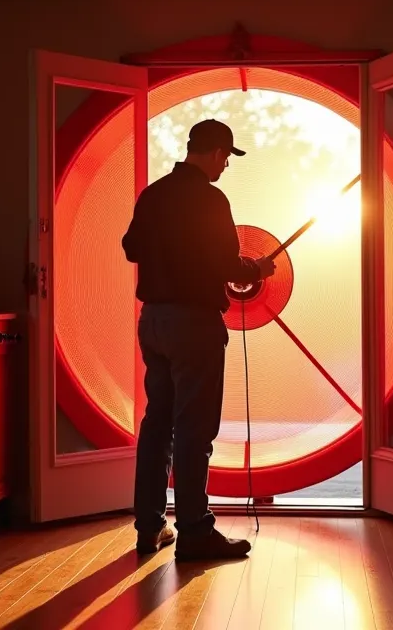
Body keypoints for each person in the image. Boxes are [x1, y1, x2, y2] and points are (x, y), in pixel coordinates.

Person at [121, 119, 276, 561]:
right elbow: (228, 265)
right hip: (195, 325)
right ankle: (193, 531)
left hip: (154, 321)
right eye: (226, 156)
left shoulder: (153, 194)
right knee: (193, 429)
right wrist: (257, 271)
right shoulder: (211, 199)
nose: (226, 164)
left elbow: (132, 248)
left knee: (158, 425)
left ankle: (149, 529)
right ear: (213, 152)